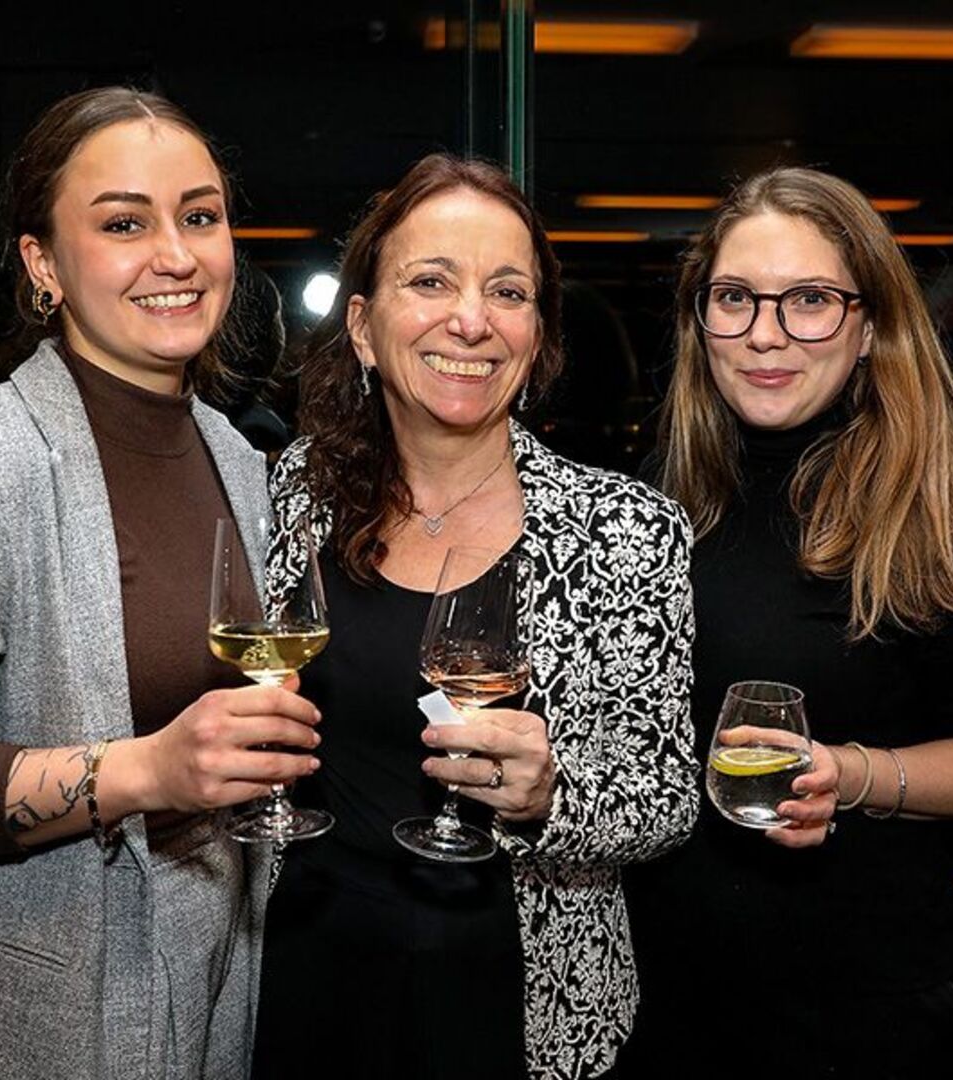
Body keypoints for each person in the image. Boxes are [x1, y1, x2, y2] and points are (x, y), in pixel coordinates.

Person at [0, 87, 322, 1079]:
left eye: (200, 216)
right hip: (24, 1014)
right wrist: (144, 773)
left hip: (208, 982)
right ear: (43, 263)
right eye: (124, 224)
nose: (175, 255)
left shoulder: (236, 458)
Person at [253, 154, 700, 1080]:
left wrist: (552, 796)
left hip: (516, 989)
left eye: (508, 291)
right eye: (431, 281)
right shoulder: (295, 492)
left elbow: (666, 799)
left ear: (536, 337)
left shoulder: (624, 530)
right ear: (364, 327)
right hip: (308, 963)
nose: (471, 320)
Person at [626, 166, 953, 1078]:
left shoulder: (950, 516)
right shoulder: (658, 498)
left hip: (856, 1005)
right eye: (735, 298)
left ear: (869, 328)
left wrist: (850, 774)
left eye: (810, 300)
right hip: (658, 987)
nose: (765, 333)